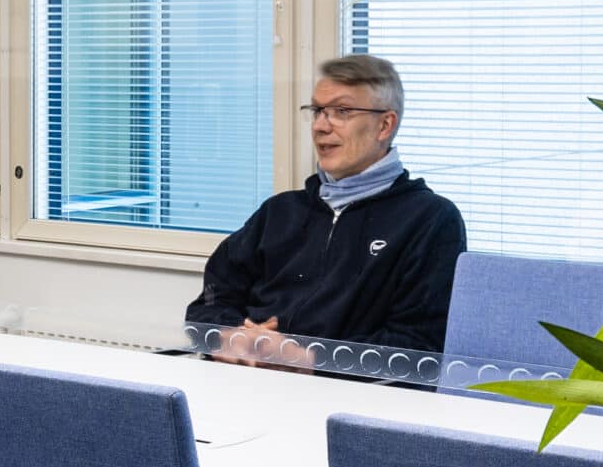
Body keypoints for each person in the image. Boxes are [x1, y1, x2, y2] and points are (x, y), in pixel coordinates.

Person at [185, 55, 465, 369]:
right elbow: (210, 300)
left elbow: (421, 347)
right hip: (245, 381)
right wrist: (228, 337)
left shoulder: (431, 220)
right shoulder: (280, 211)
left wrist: (309, 360)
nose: (320, 126)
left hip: (351, 399)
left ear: (385, 125)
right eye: (318, 111)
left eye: (341, 112)